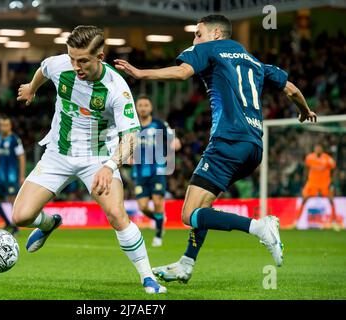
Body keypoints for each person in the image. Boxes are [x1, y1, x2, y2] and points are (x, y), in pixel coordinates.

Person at [114, 14, 317, 283]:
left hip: (227, 142)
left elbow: (182, 72)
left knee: (189, 214)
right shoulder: (254, 61)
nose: (194, 39)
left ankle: (259, 227)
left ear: (216, 34)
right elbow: (290, 89)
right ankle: (186, 263)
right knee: (204, 207)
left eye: (198, 33)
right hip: (254, 146)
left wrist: (142, 73)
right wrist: (305, 111)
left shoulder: (206, 49)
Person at [13, 25, 166, 294]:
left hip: (97, 158)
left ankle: (148, 277)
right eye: (72, 58)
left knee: (117, 215)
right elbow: (44, 68)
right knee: (21, 217)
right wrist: (32, 88)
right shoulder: (62, 64)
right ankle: (50, 223)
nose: (75, 66)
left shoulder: (116, 88)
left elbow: (131, 136)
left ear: (101, 57)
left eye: (83, 60)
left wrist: (109, 167)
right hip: (58, 153)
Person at [131, 94, 181, 247]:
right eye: (140, 105)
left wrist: (174, 146)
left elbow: (175, 141)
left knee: (158, 201)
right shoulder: (132, 126)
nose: (143, 108)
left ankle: (158, 235)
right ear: (136, 108)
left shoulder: (159, 124)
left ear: (151, 108)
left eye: (146, 105)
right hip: (139, 172)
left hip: (157, 170)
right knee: (143, 206)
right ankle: (159, 219)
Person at [0, 117, 25, 235]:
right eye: (1, 125)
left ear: (10, 126)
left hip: (11, 176)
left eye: (6, 125)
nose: (3, 127)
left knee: (11, 200)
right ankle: (7, 222)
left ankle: (16, 226)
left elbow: (22, 157)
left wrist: (22, 176)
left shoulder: (15, 139)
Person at [294, 144, 340, 231]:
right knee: (304, 199)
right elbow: (306, 169)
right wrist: (305, 180)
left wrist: (332, 182)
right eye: (316, 148)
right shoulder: (309, 158)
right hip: (312, 183)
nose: (318, 149)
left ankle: (334, 223)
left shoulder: (328, 159)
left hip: (324, 184)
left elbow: (334, 169)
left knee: (331, 200)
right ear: (314, 149)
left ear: (322, 149)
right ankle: (296, 222)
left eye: (319, 148)